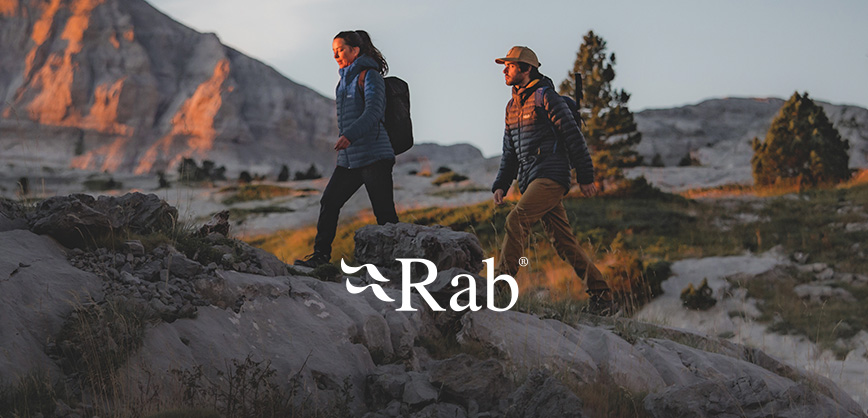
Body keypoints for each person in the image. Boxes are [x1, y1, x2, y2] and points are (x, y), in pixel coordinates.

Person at [491, 46, 615, 314]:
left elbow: (573, 136)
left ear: (526, 69)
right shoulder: (512, 107)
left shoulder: (546, 97)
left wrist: (585, 176)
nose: (504, 70)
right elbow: (510, 152)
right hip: (530, 178)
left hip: (551, 175)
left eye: (510, 66)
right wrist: (501, 184)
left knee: (516, 220)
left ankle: (499, 288)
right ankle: (602, 296)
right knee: (563, 242)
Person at [295, 30, 399, 268]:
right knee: (329, 202)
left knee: (385, 215)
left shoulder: (370, 76)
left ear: (355, 50)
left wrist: (349, 136)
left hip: (374, 155)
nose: (336, 56)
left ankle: (398, 265)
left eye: (340, 50)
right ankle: (320, 257)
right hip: (350, 159)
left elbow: (374, 112)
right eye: (333, 51)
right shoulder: (342, 82)